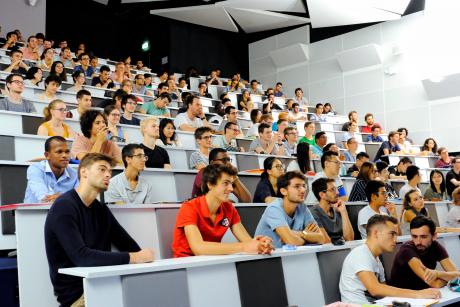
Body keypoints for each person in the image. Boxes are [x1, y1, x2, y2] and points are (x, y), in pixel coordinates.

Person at [44, 153, 154, 306]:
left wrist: (142, 257)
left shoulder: (101, 210)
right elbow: (82, 257)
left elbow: (127, 244)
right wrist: (135, 257)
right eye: (102, 169)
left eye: (110, 171)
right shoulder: (64, 207)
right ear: (84, 172)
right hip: (80, 295)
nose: (108, 174)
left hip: (105, 285)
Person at [172, 164, 273, 257]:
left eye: (231, 184)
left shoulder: (229, 208)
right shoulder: (189, 207)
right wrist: (244, 247)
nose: (231, 189)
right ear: (210, 184)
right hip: (186, 264)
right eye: (225, 183)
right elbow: (198, 248)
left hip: (212, 261)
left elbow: (247, 241)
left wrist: (259, 244)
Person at [339, 215, 440, 304]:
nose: (395, 240)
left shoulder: (376, 260)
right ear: (376, 233)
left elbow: (384, 293)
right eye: (392, 234)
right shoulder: (360, 253)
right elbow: (375, 289)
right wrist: (418, 294)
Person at [255, 171, 324, 247]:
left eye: (304, 186)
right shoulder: (274, 208)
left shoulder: (302, 207)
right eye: (297, 186)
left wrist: (301, 233)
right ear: (284, 191)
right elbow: (291, 241)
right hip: (267, 257)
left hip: (290, 255)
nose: (303, 190)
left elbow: (321, 238)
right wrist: (307, 235)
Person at [391, 216, 460, 289]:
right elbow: (435, 284)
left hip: (424, 294)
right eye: (414, 236)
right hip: (404, 297)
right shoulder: (407, 250)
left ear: (434, 236)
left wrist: (438, 273)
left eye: (423, 237)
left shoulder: (435, 246)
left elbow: (457, 275)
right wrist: (449, 278)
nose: (418, 242)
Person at [24, 136, 78, 203]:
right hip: (35, 212)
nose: (65, 155)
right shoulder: (35, 169)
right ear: (47, 155)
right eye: (59, 152)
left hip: (63, 211)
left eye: (67, 152)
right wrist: (66, 198)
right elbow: (43, 198)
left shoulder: (75, 174)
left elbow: (80, 199)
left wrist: (62, 197)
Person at [311, 177, 354, 243]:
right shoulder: (314, 213)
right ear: (322, 195)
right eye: (332, 189)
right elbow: (326, 242)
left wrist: (343, 212)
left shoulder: (338, 209)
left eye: (336, 189)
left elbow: (350, 239)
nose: (337, 192)